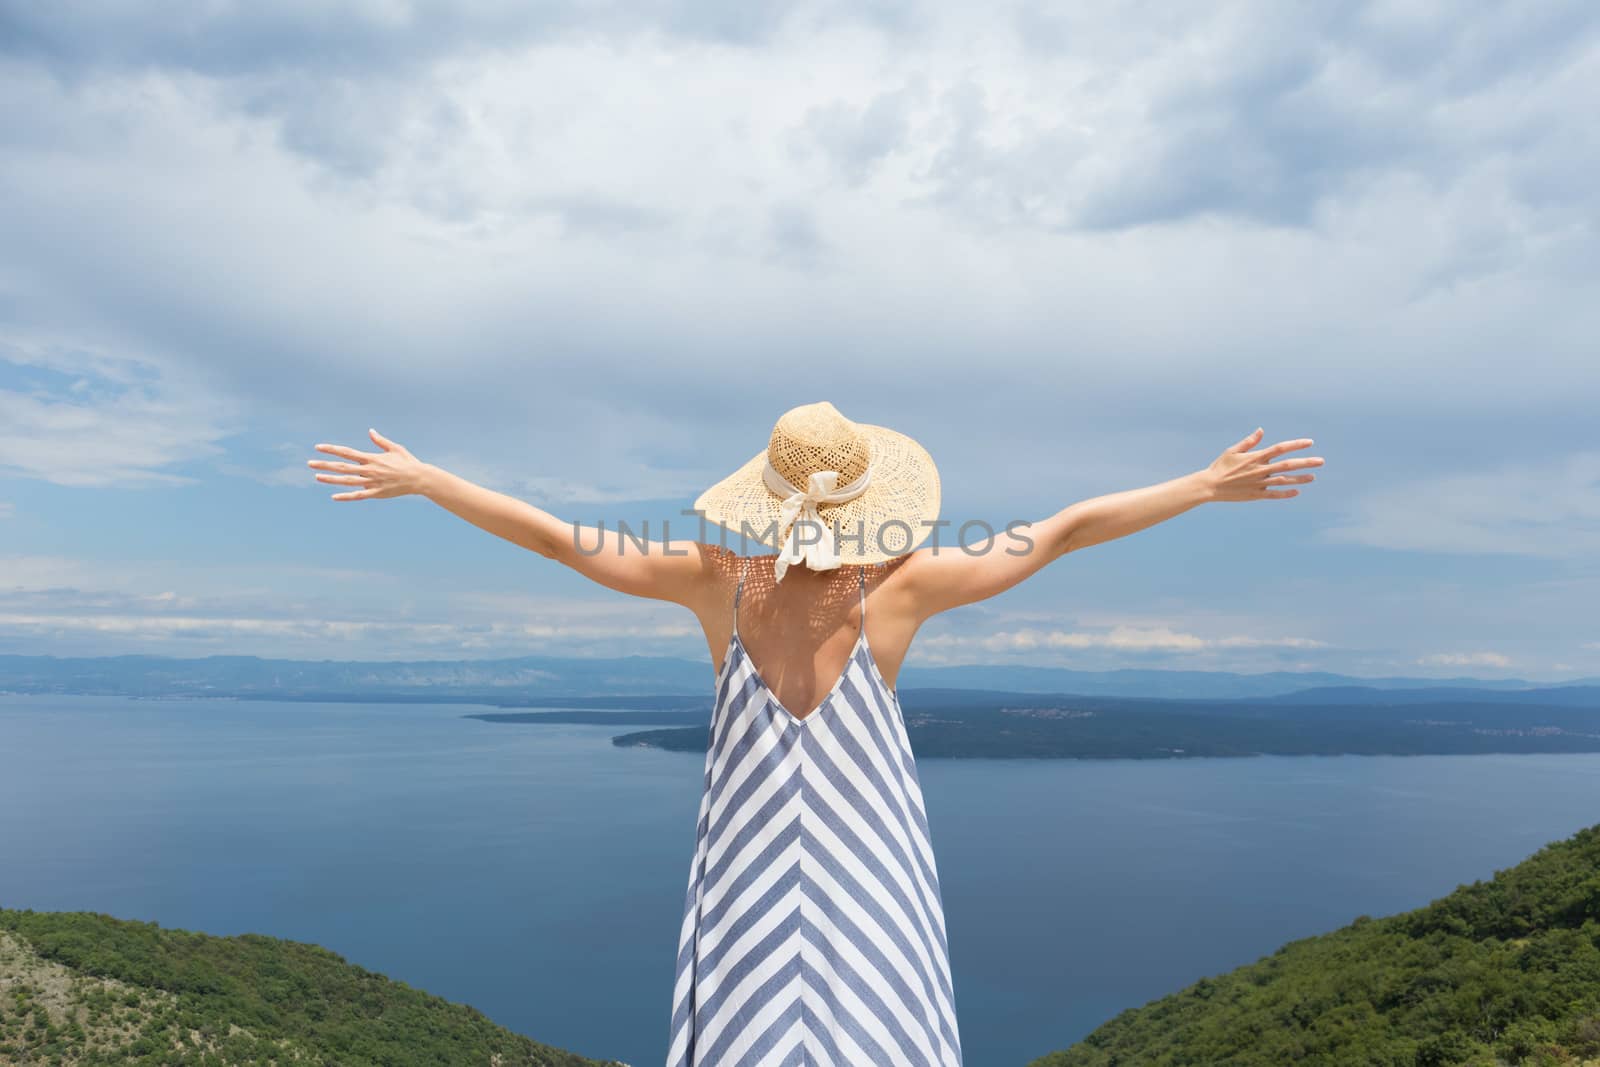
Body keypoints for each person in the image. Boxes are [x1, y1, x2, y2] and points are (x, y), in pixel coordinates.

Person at [307, 401, 1322, 1066]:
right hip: (873, 880)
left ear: (768, 499)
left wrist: (429, 479)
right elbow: (1064, 527)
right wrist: (1201, 484)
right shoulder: (903, 589)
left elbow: (557, 537)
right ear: (875, 502)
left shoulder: (712, 579)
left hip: (744, 884)